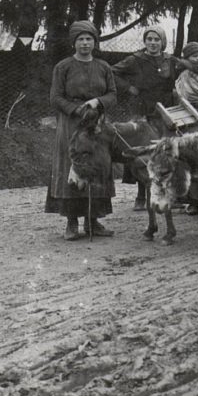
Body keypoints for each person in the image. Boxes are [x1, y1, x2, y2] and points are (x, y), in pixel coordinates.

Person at [45, 21, 118, 240]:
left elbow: (113, 95)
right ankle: (71, 223)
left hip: (97, 124)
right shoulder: (63, 67)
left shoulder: (104, 67)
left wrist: (98, 101)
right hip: (71, 124)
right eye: (80, 39)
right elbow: (55, 97)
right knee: (73, 166)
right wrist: (75, 109)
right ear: (74, 43)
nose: (85, 43)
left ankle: (93, 222)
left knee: (97, 166)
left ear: (95, 42)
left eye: (89, 39)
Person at [112, 25, 188, 210]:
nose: (153, 43)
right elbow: (111, 72)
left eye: (157, 40)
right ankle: (141, 197)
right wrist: (128, 87)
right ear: (145, 41)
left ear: (163, 42)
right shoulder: (135, 60)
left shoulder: (170, 61)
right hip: (142, 108)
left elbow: (189, 70)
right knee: (143, 151)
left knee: (166, 151)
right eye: (149, 39)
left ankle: (168, 195)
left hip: (165, 110)